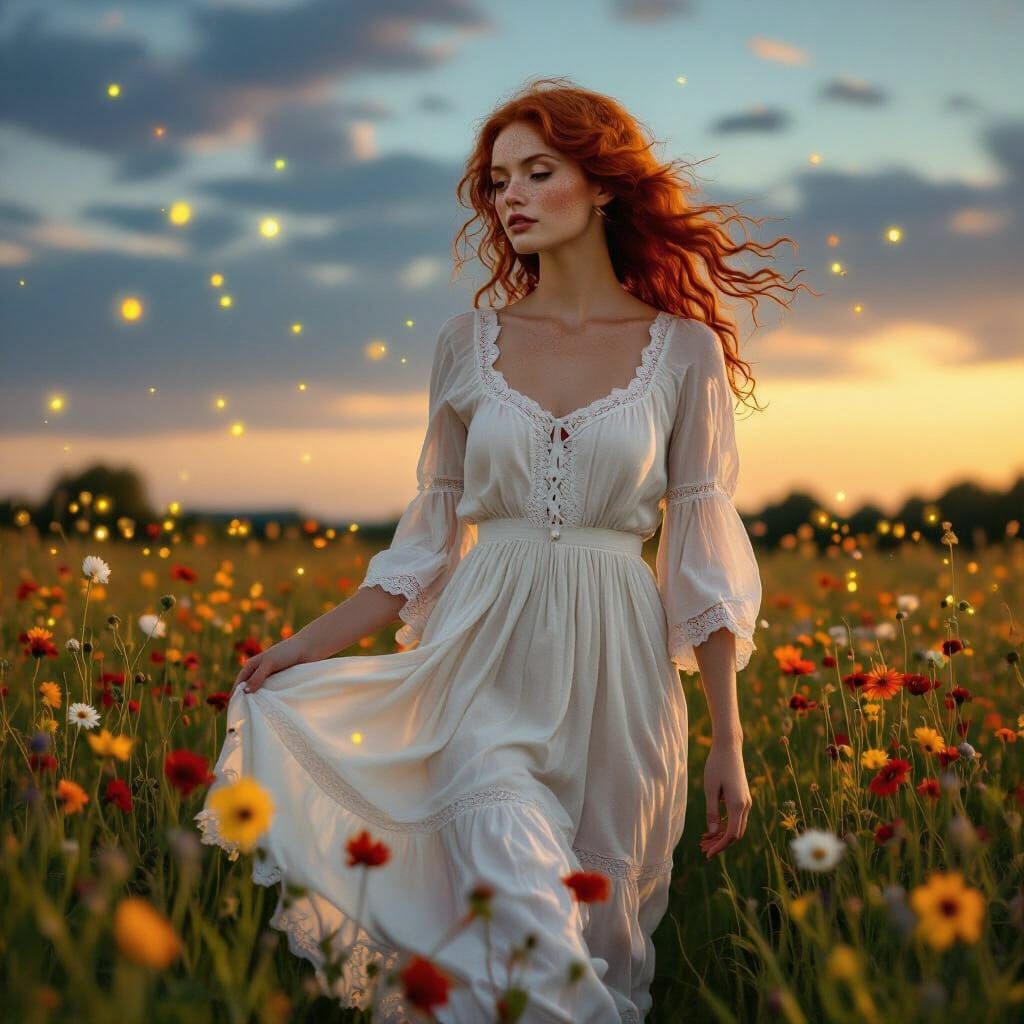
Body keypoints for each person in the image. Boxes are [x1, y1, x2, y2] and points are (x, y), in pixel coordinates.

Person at [196, 77, 807, 1023]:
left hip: (620, 681)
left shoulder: (683, 352)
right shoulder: (466, 343)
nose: (510, 196)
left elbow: (701, 557)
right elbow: (423, 549)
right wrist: (300, 648)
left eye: (537, 172)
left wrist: (727, 739)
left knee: (596, 947)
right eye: (497, 180)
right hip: (479, 666)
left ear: (603, 185)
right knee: (517, 907)